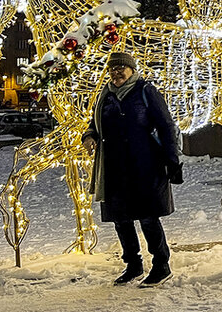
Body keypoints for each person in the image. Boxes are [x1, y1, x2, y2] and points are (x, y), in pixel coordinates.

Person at [83, 51, 183, 286]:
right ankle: (133, 264)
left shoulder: (145, 91)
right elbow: (94, 124)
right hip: (114, 166)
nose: (116, 73)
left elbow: (166, 125)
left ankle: (161, 265)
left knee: (148, 217)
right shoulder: (105, 95)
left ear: (131, 70)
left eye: (121, 69)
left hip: (145, 163)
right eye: (112, 69)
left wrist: (172, 159)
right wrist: (89, 136)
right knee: (121, 219)